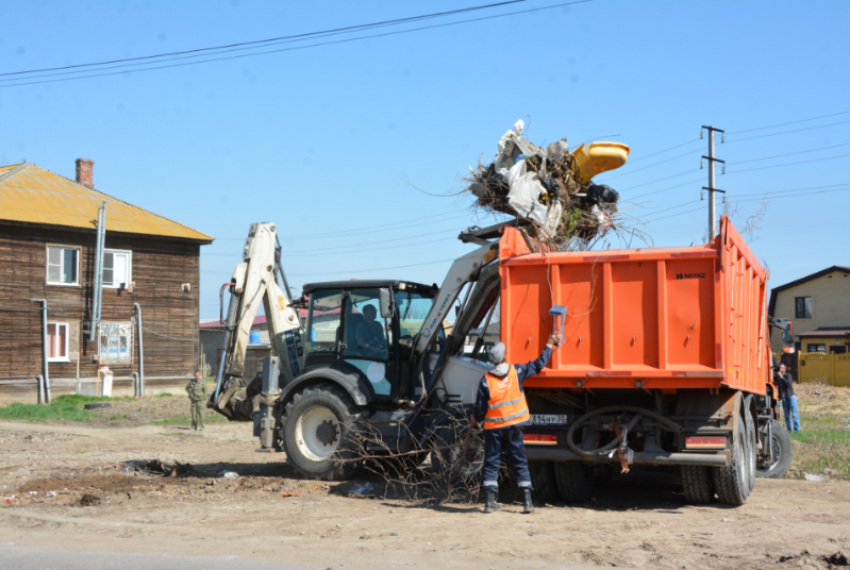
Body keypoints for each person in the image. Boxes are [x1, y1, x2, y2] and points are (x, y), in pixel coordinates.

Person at [472, 333, 561, 514]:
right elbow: (537, 365)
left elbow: (480, 411)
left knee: (491, 463)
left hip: (493, 429)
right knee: (520, 462)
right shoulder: (516, 372)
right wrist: (550, 345)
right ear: (505, 357)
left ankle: (489, 503)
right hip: (514, 428)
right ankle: (527, 503)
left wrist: (474, 419)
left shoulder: (485, 380)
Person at [775, 363, 800, 432]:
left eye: (782, 368)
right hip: (784, 399)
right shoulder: (778, 378)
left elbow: (788, 384)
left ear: (785, 369)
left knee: (794, 415)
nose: (781, 369)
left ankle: (797, 431)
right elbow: (775, 386)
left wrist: (781, 377)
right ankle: (790, 431)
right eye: (780, 367)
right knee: (787, 416)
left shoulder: (788, 375)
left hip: (791, 398)